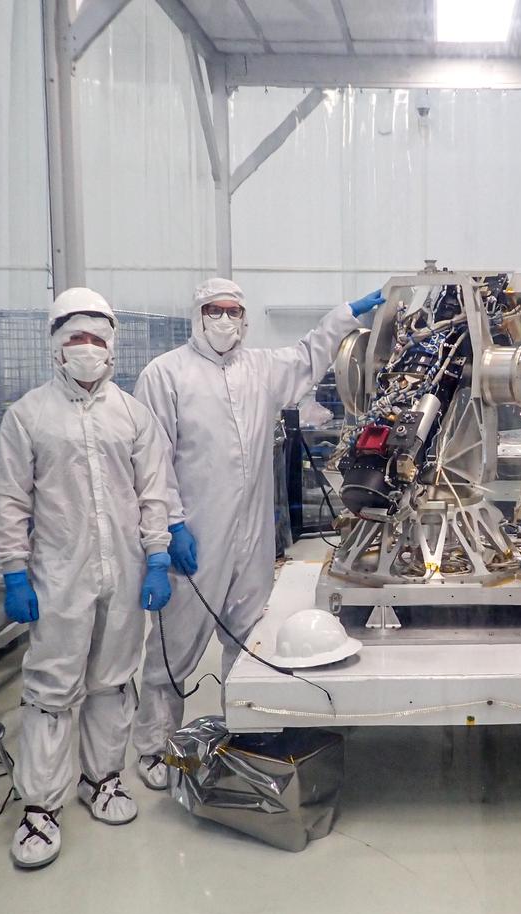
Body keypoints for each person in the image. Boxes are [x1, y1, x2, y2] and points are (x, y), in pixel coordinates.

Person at [130, 278, 385, 788]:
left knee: (246, 638)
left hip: (252, 533)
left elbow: (310, 353)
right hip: (194, 533)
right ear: (197, 315)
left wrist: (346, 313)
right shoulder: (166, 374)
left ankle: (242, 730)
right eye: (213, 310)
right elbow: (152, 461)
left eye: (232, 311)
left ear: (244, 318)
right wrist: (170, 526)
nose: (224, 320)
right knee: (173, 646)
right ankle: (155, 747)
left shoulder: (261, 368)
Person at [0, 287, 175, 869]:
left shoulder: (133, 414)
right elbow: (9, 502)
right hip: (57, 575)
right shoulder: (28, 416)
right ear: (56, 347)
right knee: (51, 688)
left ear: (112, 346)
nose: (88, 349)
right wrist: (14, 572)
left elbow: (153, 494)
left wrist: (159, 557)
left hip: (122, 571)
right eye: (77, 338)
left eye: (98, 339)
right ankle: (40, 808)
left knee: (114, 681)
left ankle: (103, 780)